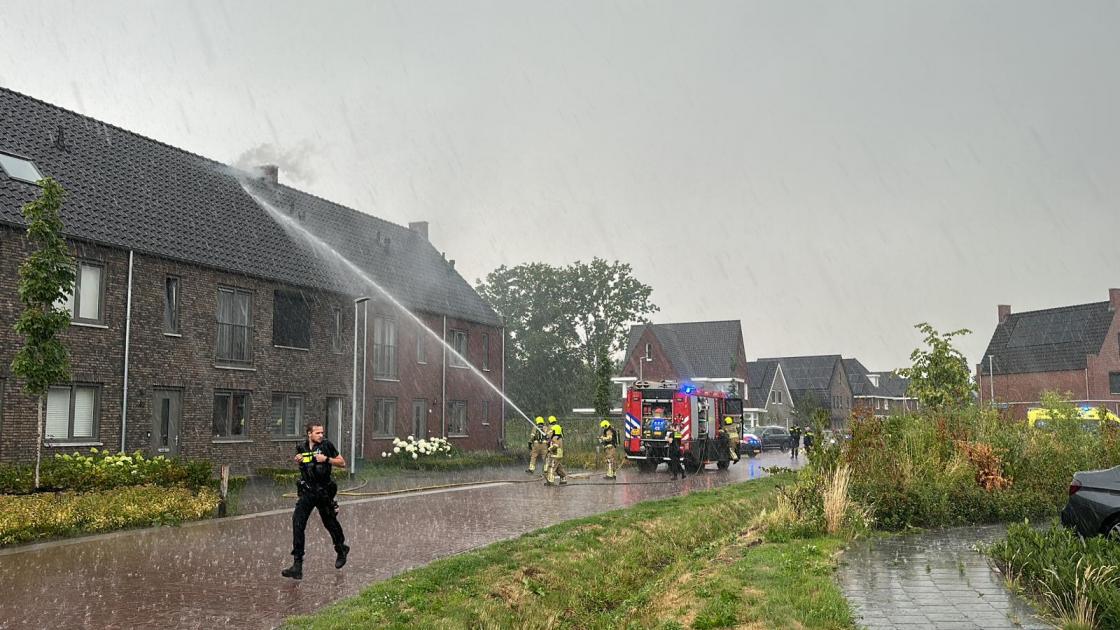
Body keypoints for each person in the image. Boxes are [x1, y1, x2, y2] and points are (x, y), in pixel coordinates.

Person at [282, 422, 348, 580]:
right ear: (309, 434)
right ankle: (297, 565)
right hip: (308, 492)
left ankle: (341, 548)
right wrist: (299, 460)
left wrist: (326, 459)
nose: (321, 435)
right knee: (298, 522)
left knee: (329, 522)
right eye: (317, 433)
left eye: (322, 432)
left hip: (324, 491)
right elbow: (305, 464)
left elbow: (342, 463)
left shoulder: (327, 446)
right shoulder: (302, 447)